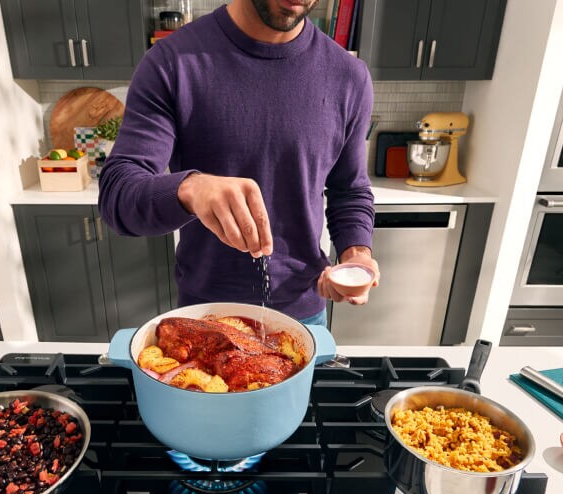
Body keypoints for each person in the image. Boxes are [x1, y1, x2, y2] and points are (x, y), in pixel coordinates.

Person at [98, 0, 379, 327]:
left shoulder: (348, 76)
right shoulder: (172, 62)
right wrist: (190, 189)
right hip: (206, 316)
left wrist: (356, 256)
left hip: (304, 315)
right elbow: (118, 196)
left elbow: (350, 190)